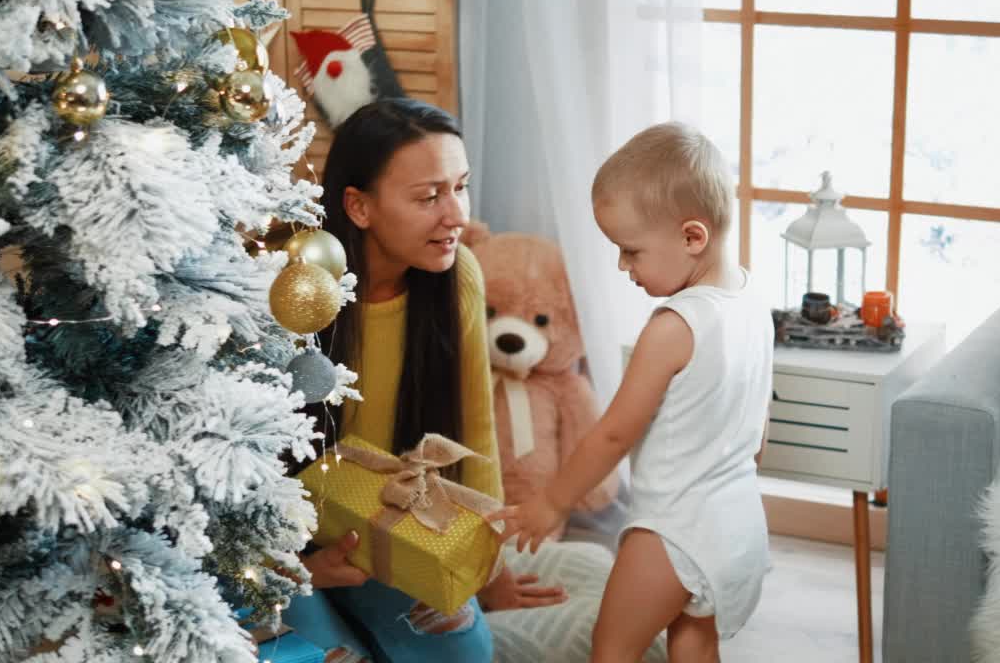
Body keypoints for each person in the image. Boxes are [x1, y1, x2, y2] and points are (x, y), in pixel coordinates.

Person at [284, 98, 566, 663]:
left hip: (385, 527)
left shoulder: (458, 274)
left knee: (466, 655)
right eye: (429, 196)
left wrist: (489, 571)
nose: (456, 214)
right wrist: (302, 570)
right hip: (279, 543)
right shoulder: (296, 289)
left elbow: (475, 435)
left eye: (459, 187)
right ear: (359, 207)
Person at [491, 122, 773, 663]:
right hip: (738, 522)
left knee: (613, 649)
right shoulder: (750, 299)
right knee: (693, 639)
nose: (623, 266)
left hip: (674, 529)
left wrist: (552, 501)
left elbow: (616, 431)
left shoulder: (674, 326)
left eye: (632, 251)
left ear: (693, 237)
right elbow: (759, 429)